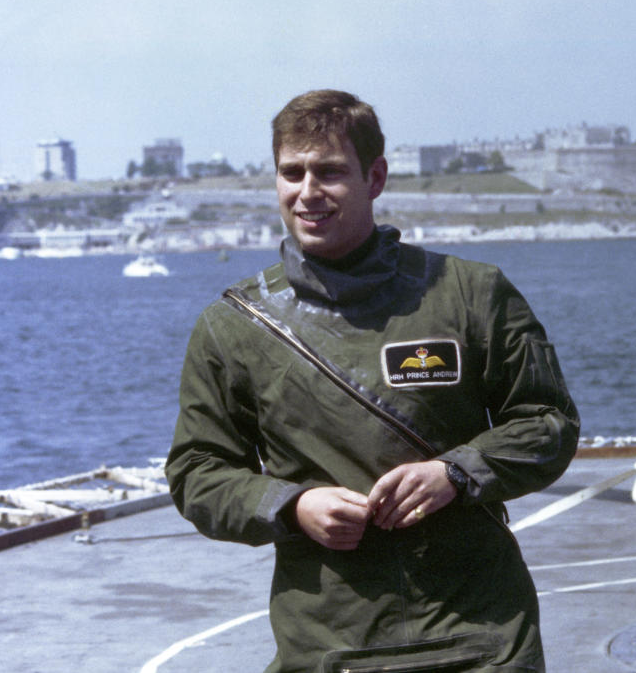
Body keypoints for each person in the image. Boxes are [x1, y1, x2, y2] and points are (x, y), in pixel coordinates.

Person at [166, 89, 580, 673]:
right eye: (292, 173)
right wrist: (293, 504)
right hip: (330, 644)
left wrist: (454, 473)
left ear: (375, 177)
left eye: (330, 172)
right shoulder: (233, 327)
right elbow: (196, 472)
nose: (308, 192)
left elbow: (549, 424)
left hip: (483, 635)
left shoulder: (471, 293)